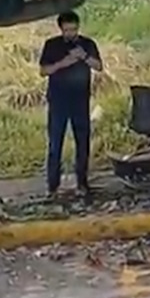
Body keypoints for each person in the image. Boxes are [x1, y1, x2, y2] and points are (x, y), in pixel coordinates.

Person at [38, 11, 102, 197]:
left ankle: (82, 183)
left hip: (80, 100)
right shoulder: (52, 45)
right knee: (55, 144)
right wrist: (63, 63)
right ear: (61, 29)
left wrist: (84, 57)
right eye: (67, 30)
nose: (71, 34)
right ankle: (53, 186)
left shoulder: (87, 44)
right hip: (58, 101)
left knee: (82, 142)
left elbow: (98, 66)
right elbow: (43, 70)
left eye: (74, 29)